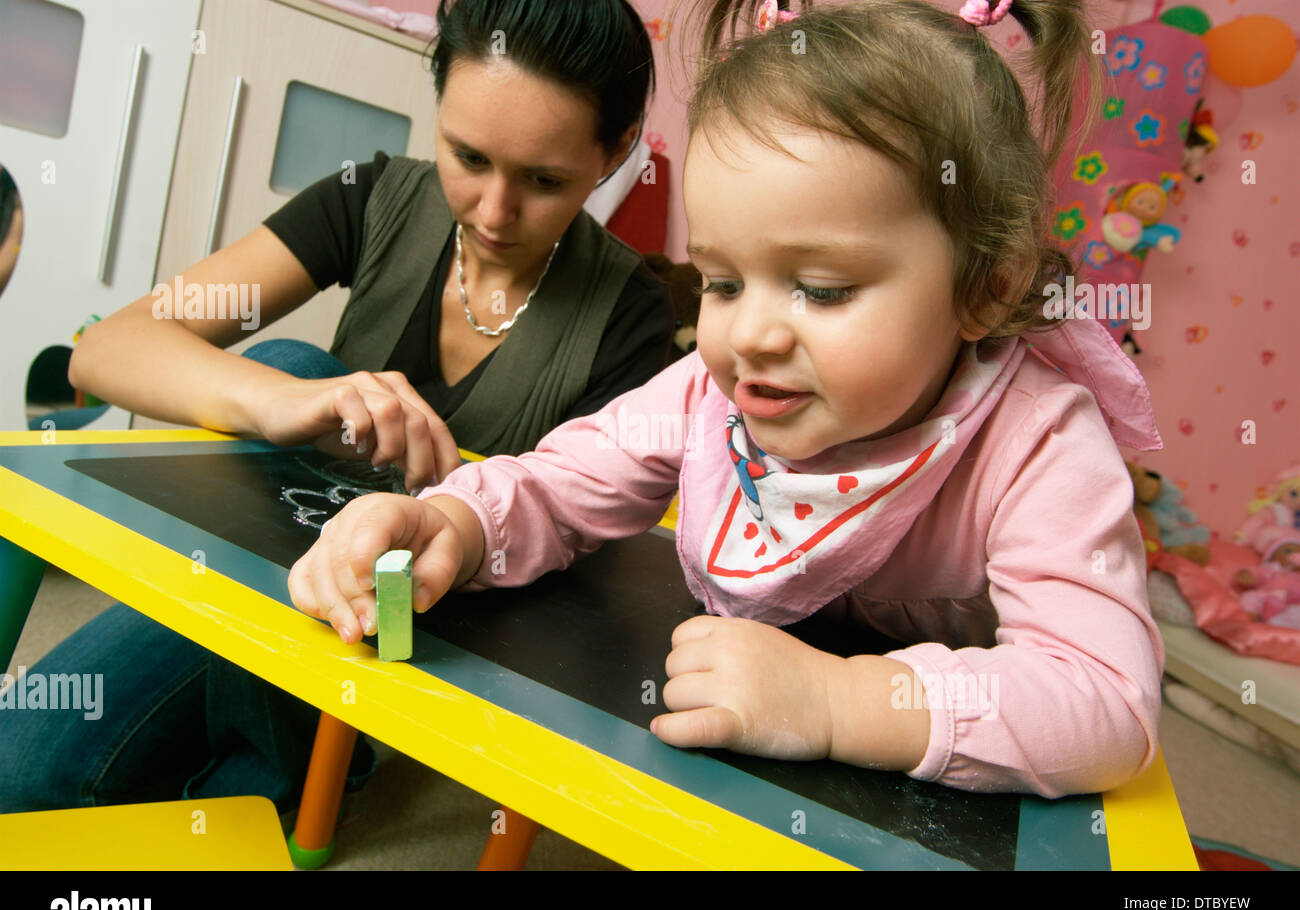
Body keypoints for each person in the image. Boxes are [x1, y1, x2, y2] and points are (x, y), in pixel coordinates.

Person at [289, 0, 1168, 798]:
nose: (750, 335)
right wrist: (449, 525)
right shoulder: (714, 396)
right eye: (720, 281)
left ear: (986, 284)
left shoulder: (1040, 442)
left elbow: (1103, 698)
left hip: (927, 789)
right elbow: (559, 484)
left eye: (820, 289)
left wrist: (837, 699)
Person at [0, 0, 673, 814]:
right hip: (281, 562)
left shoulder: (631, 319)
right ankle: (272, 766)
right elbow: (108, 350)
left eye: (544, 180)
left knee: (143, 786)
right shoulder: (375, 198)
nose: (494, 213)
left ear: (617, 150)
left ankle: (284, 777)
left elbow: (578, 536)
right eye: (467, 155)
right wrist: (286, 399)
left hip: (429, 613)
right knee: (25, 768)